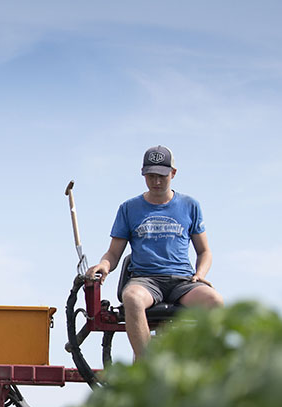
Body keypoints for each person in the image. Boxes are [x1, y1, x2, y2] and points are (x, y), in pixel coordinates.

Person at [85, 145, 223, 359]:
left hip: (183, 281)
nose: (156, 182)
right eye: (151, 176)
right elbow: (113, 253)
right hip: (146, 281)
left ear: (173, 174)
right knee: (131, 297)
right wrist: (104, 265)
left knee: (215, 302)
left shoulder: (190, 205)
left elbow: (205, 251)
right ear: (143, 174)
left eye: (162, 176)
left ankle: (204, 366)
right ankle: (147, 367)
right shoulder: (128, 208)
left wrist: (200, 275)